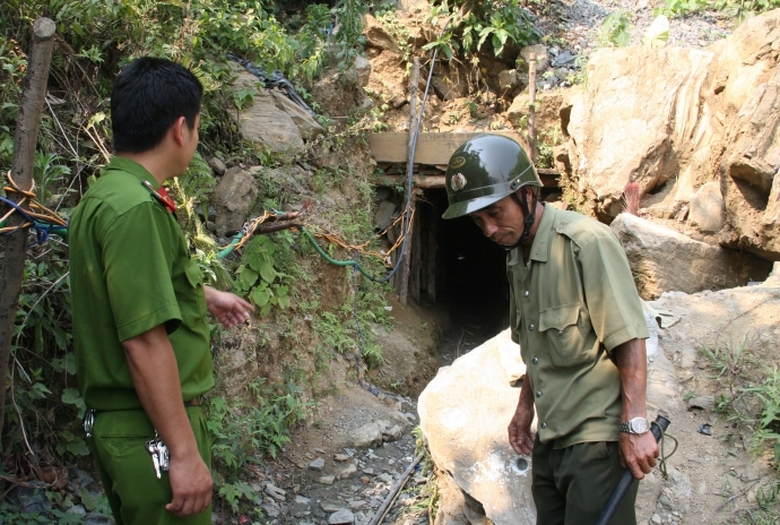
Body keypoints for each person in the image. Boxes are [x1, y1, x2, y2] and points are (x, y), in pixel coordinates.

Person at [69, 56, 254, 525]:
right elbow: (143, 342)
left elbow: (122, 297)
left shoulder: (106, 195)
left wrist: (202, 296)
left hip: (131, 427)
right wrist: (184, 454)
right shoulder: (137, 209)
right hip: (150, 430)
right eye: (197, 126)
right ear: (180, 128)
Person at [442, 134, 658, 525]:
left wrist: (636, 425)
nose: (488, 229)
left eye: (495, 212)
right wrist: (524, 408)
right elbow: (537, 348)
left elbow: (628, 338)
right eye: (478, 221)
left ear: (527, 194)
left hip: (598, 443)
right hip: (551, 440)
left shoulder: (585, 243)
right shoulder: (515, 258)